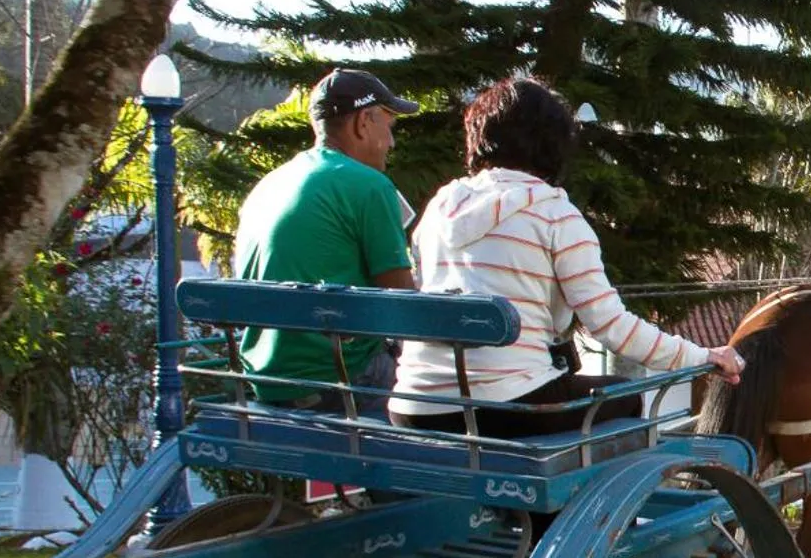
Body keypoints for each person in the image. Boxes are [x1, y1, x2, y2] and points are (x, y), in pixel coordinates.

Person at [390, 77, 742, 438]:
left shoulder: (439, 208)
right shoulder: (554, 213)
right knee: (626, 396)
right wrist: (701, 358)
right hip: (506, 408)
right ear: (553, 144)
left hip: (413, 407)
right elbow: (611, 326)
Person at [233, 68, 419, 410]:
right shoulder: (368, 185)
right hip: (341, 380)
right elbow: (402, 304)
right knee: (450, 390)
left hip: (266, 382)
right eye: (389, 128)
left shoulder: (267, 186)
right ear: (364, 121)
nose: (391, 143)